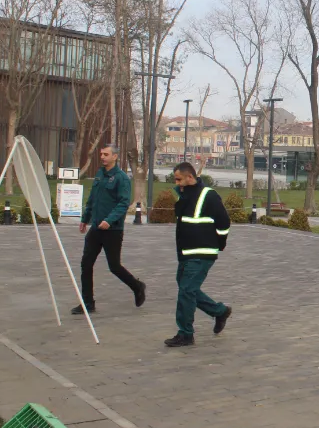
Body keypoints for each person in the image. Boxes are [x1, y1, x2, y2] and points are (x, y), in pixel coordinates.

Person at [72, 144, 146, 316]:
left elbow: (123, 203)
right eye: (101, 154)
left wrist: (109, 220)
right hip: (96, 228)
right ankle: (88, 303)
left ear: (115, 157)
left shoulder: (121, 178)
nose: (103, 157)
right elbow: (93, 199)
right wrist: (85, 219)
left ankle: (137, 286)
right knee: (86, 264)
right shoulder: (100, 175)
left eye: (106, 154)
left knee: (114, 266)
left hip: (113, 230)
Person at [164, 162, 232, 347]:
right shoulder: (185, 195)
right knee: (187, 288)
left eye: (179, 179)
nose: (176, 183)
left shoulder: (209, 195)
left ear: (189, 177)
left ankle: (186, 334)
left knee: (186, 291)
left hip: (202, 253)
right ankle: (219, 311)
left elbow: (224, 223)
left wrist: (220, 244)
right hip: (186, 252)